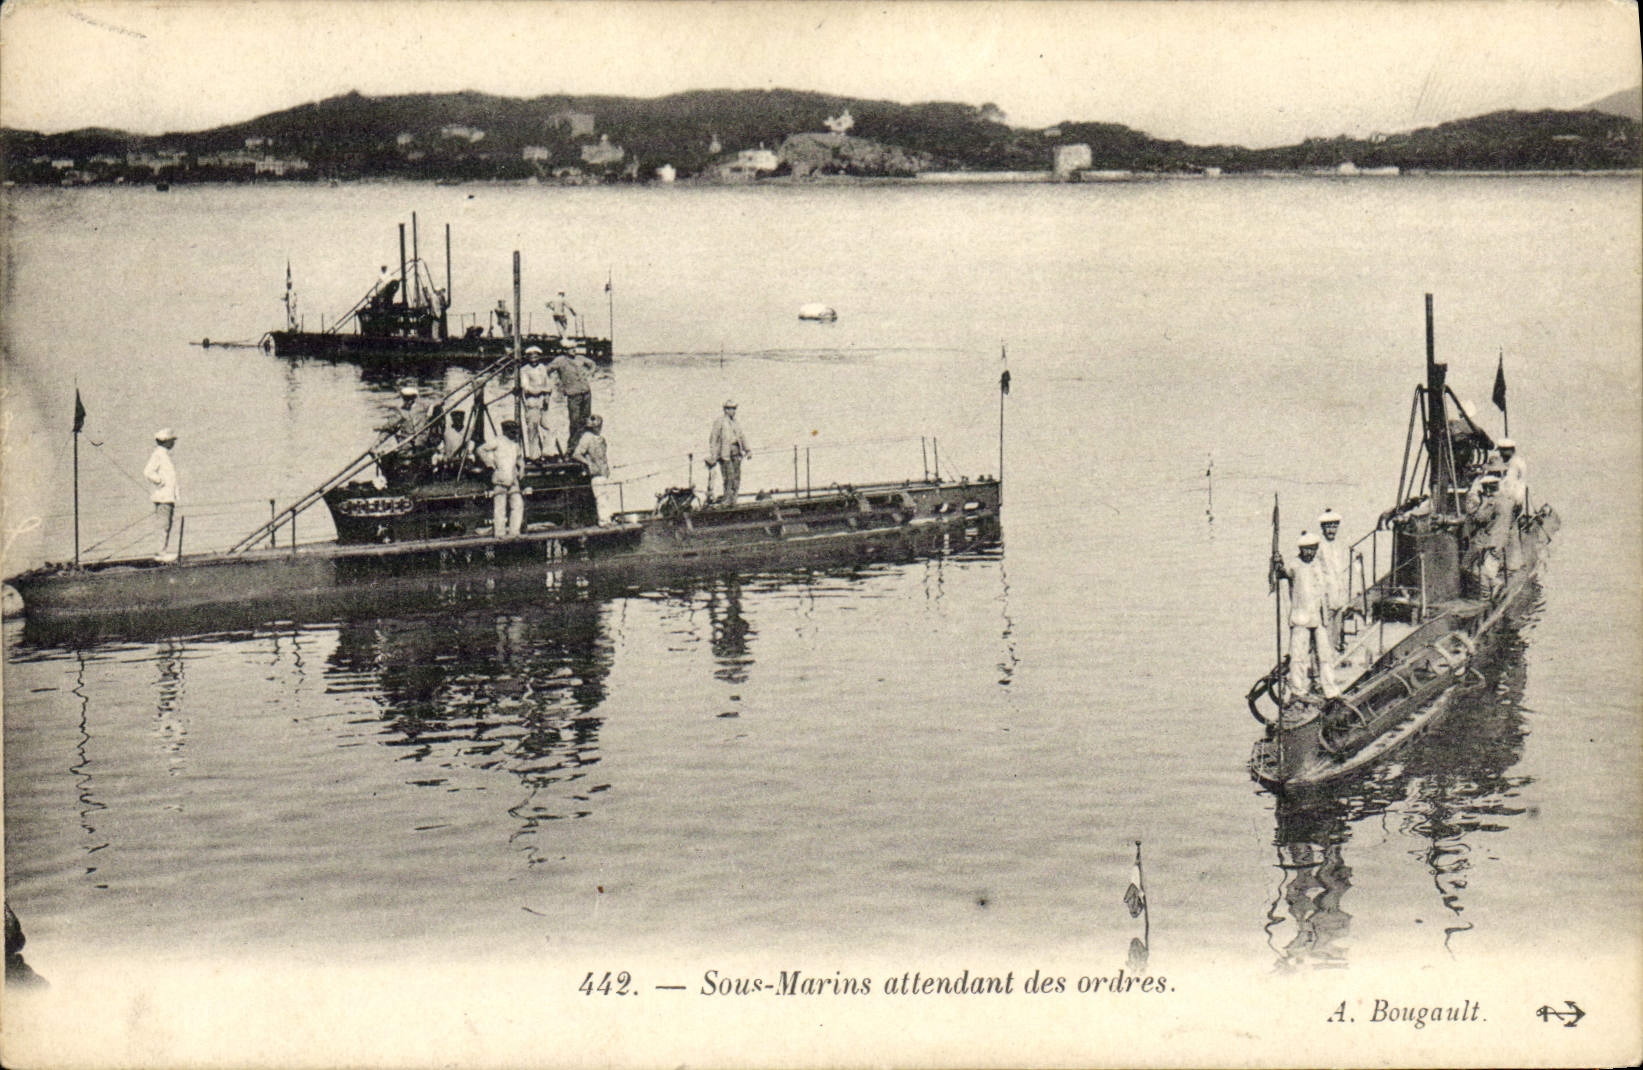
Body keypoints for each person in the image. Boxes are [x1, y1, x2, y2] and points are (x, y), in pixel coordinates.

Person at [1272, 531, 1339, 700]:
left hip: (1319, 617)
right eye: (1306, 549)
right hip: (1301, 617)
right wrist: (1277, 563)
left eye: (1313, 549)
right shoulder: (1294, 565)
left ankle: (1330, 690)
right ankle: (1298, 690)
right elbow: (1281, 574)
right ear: (1301, 550)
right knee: (1298, 656)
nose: (1309, 553)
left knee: (1325, 655)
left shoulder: (1319, 564)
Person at [478, 419, 525, 539]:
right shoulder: (497, 441)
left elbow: (520, 459)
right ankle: (499, 534)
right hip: (500, 478)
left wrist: (522, 469)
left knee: (518, 505)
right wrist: (489, 464)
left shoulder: (515, 445)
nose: (514, 434)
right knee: (500, 507)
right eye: (511, 431)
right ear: (505, 431)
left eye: (515, 431)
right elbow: (481, 449)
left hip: (513, 479)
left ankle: (514, 532)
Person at [144, 428, 179, 560]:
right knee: (164, 524)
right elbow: (148, 471)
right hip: (163, 496)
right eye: (172, 441)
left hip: (167, 496)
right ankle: (161, 553)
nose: (173, 443)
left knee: (166, 523)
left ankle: (162, 551)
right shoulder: (159, 454)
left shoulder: (163, 454)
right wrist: (160, 481)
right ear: (166, 441)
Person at [1317, 508, 1350, 648]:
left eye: (1334, 526)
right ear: (1323, 528)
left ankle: (1335, 649)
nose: (1331, 530)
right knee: (1325, 627)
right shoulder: (1318, 547)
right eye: (1328, 527)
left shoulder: (1338, 546)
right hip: (1325, 593)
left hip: (1338, 592)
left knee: (1337, 625)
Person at [546, 349, 593, 447]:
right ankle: (572, 447)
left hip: (586, 392)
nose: (574, 351)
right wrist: (554, 384)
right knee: (574, 422)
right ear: (565, 349)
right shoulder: (560, 360)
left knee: (586, 420)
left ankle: (584, 446)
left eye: (575, 348)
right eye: (571, 349)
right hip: (573, 394)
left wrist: (589, 373)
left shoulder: (580, 358)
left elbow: (592, 364)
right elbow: (547, 370)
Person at [708, 400, 751, 506]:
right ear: (725, 410)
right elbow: (713, 439)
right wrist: (714, 455)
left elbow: (741, 437)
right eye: (730, 408)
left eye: (734, 408)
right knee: (729, 477)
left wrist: (748, 450)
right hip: (725, 454)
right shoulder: (720, 422)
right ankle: (727, 500)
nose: (733, 411)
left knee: (737, 477)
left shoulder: (736, 423)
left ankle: (733, 500)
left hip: (736, 451)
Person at [518, 345, 553, 460]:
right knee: (532, 429)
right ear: (528, 357)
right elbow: (527, 388)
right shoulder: (524, 370)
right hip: (532, 402)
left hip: (543, 403)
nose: (534, 358)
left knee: (549, 427)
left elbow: (549, 384)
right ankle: (534, 456)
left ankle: (547, 452)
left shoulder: (542, 368)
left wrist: (547, 395)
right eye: (531, 356)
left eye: (536, 356)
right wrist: (542, 390)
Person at [1496, 439, 1528, 513]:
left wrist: (1518, 500)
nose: (1500, 454)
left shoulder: (1518, 463)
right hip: (1503, 500)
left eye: (1503, 451)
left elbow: (1521, 483)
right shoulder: (1502, 462)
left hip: (1514, 499)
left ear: (1511, 450)